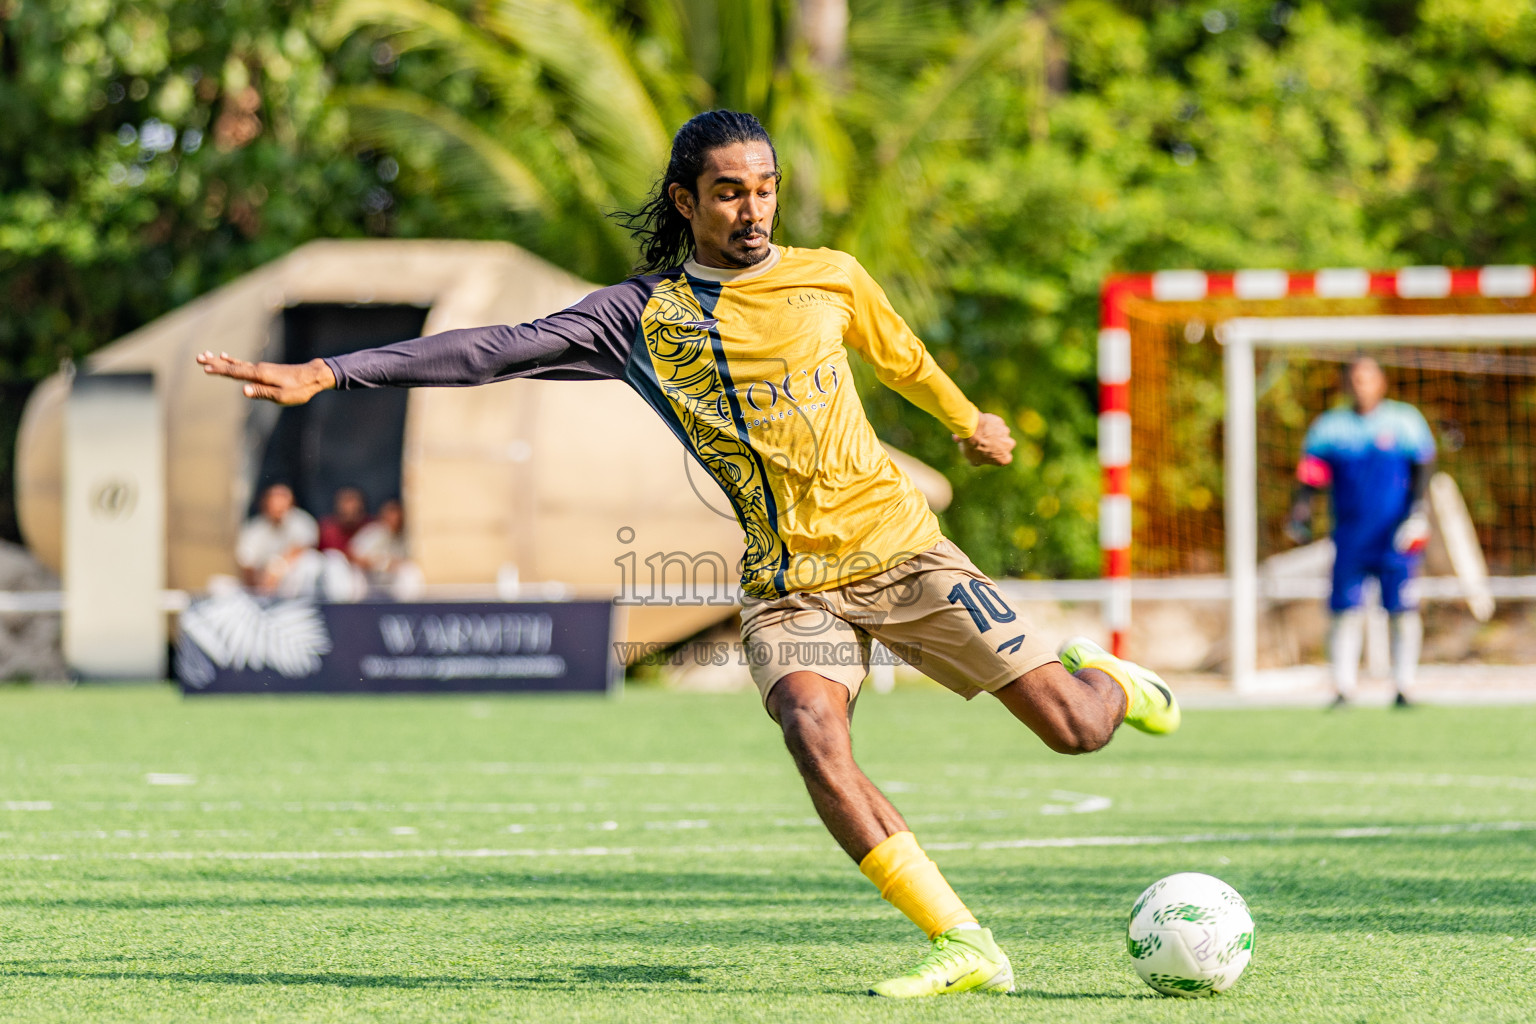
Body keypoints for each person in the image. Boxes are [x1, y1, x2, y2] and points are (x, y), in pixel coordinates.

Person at [197, 109, 1178, 999]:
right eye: (728, 191)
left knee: (1074, 729)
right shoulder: (641, 318)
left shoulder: (831, 275)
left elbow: (901, 359)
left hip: (904, 554)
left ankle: (1110, 682)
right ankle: (963, 940)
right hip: (790, 587)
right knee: (810, 729)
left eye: (764, 188)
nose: (752, 209)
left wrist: (968, 422)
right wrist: (329, 370)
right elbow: (491, 347)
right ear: (686, 200)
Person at [1287, 356, 1436, 707]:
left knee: (1402, 609)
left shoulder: (1405, 421)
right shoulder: (1330, 427)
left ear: (1381, 382)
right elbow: (1311, 474)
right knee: (1345, 610)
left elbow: (1424, 466)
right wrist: (1301, 510)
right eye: (1355, 378)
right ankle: (1343, 686)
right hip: (1351, 536)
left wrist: (1416, 512)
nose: (1361, 385)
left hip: (1395, 536)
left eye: (1368, 378)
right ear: (1346, 384)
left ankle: (1405, 685)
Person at [234, 483, 319, 594]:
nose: (279, 505)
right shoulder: (254, 529)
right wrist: (259, 586)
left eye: (283, 500)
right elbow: (247, 563)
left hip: (291, 582)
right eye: (275, 500)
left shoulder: (301, 522)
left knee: (311, 562)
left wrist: (277, 568)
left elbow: (301, 549)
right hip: (261, 584)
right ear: (265, 503)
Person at [349, 498, 410, 583]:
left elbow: (405, 560)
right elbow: (353, 554)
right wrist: (377, 563)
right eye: (390, 514)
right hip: (369, 578)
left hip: (391, 580)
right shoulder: (373, 532)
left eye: (397, 515)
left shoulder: (403, 537)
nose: (394, 519)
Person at [318, 486, 372, 555]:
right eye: (345, 512)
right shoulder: (326, 530)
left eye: (354, 512)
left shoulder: (372, 529)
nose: (350, 509)